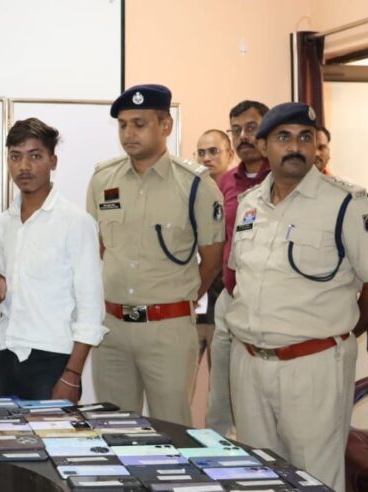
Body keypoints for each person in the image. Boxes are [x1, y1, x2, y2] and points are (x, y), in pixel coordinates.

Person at [226, 102, 368, 491]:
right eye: (284, 137)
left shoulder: (347, 203)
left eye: (305, 137)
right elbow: (242, 278)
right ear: (264, 146)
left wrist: (337, 335)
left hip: (313, 365)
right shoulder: (249, 204)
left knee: (316, 478)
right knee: (257, 476)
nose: (295, 147)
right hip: (249, 364)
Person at [86, 84, 224, 426]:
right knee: (114, 430)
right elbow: (97, 247)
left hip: (168, 330)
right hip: (112, 329)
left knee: (171, 428)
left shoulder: (195, 185)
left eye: (139, 124)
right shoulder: (103, 179)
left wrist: (178, 302)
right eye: (122, 125)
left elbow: (211, 259)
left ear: (165, 125)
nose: (128, 134)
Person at [0, 118, 106, 402]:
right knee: (7, 432)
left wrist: (72, 374)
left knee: (54, 433)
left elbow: (91, 308)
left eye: (35, 156)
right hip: (6, 353)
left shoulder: (76, 222)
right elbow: (8, 278)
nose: (24, 166)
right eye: (15, 156)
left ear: (53, 161)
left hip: (52, 360)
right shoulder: (4, 222)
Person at [206, 100, 272, 436]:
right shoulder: (225, 183)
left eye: (251, 127)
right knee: (220, 390)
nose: (243, 136)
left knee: (259, 398)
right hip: (230, 298)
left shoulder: (282, 178)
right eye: (236, 130)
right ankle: (217, 455)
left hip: (271, 305)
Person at [193, 129, 234, 390]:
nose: (207, 158)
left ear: (230, 154)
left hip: (225, 306)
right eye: (201, 152)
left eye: (214, 151)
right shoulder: (188, 193)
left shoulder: (242, 196)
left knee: (221, 391)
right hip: (191, 307)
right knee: (177, 388)